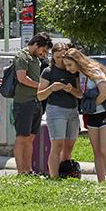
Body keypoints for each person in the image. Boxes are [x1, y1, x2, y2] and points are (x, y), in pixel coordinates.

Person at [66, 48, 106, 182]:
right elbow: (81, 94)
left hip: (105, 114)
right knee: (97, 152)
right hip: (91, 116)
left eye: (69, 65)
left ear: (77, 61)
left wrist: (92, 105)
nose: (67, 68)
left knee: (105, 150)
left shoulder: (95, 71)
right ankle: (101, 182)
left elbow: (104, 93)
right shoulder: (80, 75)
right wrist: (71, 90)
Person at [38, 42, 84, 178]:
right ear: (53, 56)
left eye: (63, 57)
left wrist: (71, 90)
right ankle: (54, 177)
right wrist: (51, 88)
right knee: (57, 145)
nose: (60, 60)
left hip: (73, 110)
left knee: (69, 145)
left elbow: (80, 94)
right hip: (56, 110)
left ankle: (65, 172)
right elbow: (40, 95)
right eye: (57, 57)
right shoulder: (48, 71)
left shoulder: (73, 70)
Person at [11, 32, 52, 175]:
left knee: (30, 138)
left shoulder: (36, 58)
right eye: (43, 50)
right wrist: (40, 87)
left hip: (36, 101)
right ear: (36, 44)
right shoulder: (22, 56)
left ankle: (28, 170)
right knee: (22, 137)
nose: (44, 54)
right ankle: (20, 171)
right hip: (23, 102)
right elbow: (22, 78)